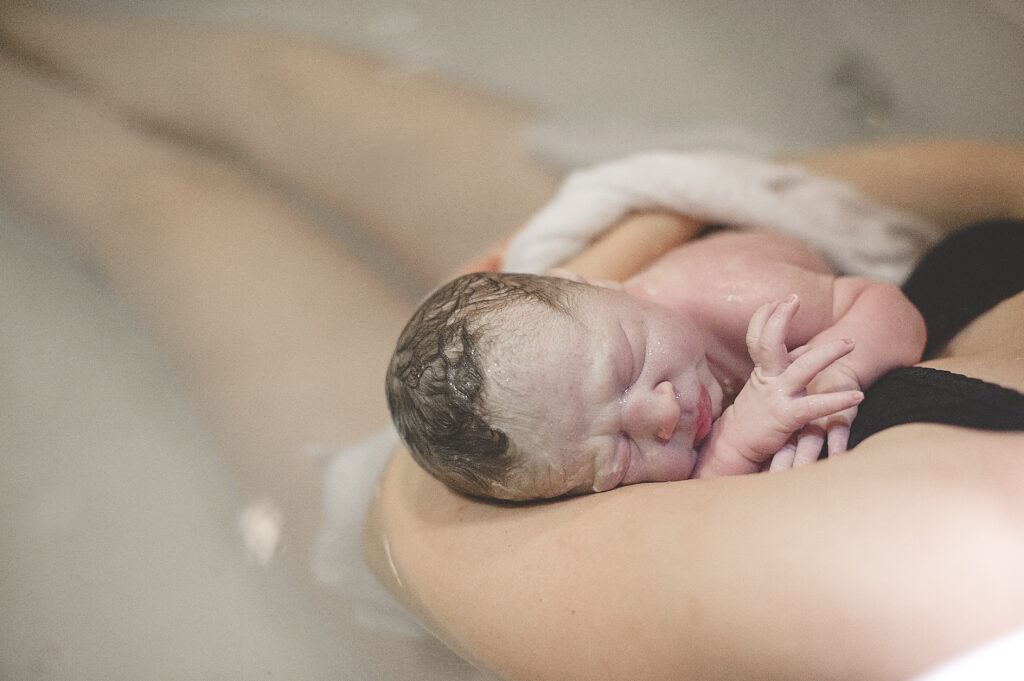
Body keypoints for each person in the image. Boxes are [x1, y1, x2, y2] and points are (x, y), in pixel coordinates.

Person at [3, 6, 1024, 681]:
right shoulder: (646, 319)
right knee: (294, 93)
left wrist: (688, 392)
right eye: (621, 448)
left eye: (631, 425)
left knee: (167, 212)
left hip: (460, 545)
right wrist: (597, 263)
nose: (663, 414)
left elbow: (671, 498)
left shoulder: (954, 577)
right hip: (580, 317)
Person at [386, 228, 924, 500]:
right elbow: (699, 500)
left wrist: (838, 372)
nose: (663, 416)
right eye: (621, 455)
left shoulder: (736, 298)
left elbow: (887, 306)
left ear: (595, 284)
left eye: (629, 365)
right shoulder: (579, 427)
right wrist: (734, 443)